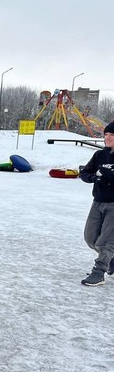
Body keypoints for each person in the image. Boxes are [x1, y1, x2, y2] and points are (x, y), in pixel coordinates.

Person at [79, 121, 114, 286]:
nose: (107, 138)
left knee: (105, 242)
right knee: (90, 238)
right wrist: (95, 178)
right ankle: (110, 258)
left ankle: (99, 272)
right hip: (98, 201)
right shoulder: (100, 155)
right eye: (106, 135)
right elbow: (85, 172)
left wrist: (109, 176)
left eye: (112, 135)